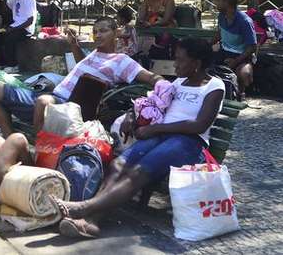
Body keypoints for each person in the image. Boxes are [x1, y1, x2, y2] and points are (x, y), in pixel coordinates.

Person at [51, 38, 224, 238]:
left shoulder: (214, 86)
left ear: (197, 63)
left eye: (180, 60)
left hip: (188, 143)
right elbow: (149, 103)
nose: (175, 64)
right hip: (161, 136)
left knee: (138, 171)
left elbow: (199, 125)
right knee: (117, 165)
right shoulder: (177, 83)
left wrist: (157, 128)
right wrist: (131, 116)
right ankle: (90, 223)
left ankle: (84, 209)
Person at [0, 17, 163, 137]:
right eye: (95, 31)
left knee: (43, 102)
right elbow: (83, 65)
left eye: (103, 31)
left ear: (116, 33)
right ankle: (12, 140)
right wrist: (74, 46)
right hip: (50, 97)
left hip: (69, 107)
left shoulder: (121, 61)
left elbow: (150, 77)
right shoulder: (94, 54)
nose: (98, 35)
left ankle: (41, 152)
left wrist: (168, 86)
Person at [213, 0, 256, 99]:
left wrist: (236, 61)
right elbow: (219, 34)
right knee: (205, 65)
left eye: (218, 0)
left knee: (243, 74)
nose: (215, 2)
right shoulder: (221, 16)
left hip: (241, 55)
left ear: (226, 3)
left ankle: (240, 94)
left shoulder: (245, 21)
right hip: (224, 51)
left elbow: (252, 47)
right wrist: (206, 44)